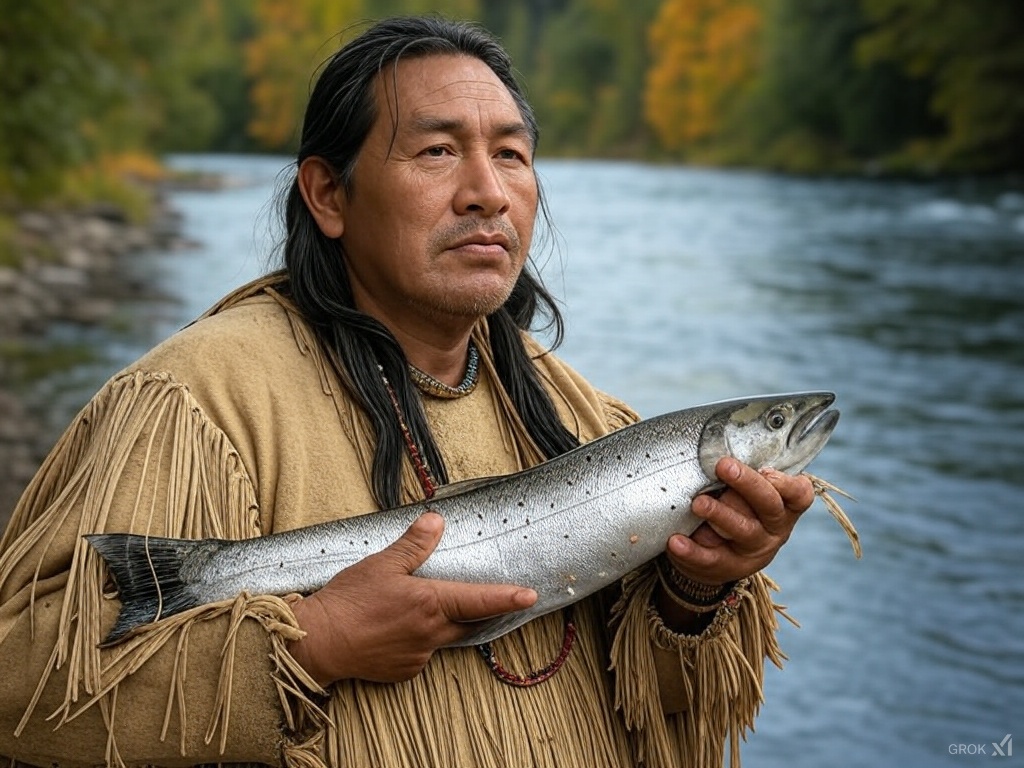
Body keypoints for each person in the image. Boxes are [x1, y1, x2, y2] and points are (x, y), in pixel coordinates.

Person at [0, 16, 815, 768]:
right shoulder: (194, 400)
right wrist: (310, 645)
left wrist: (696, 585)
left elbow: (659, 715)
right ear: (327, 195)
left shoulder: (587, 421)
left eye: (511, 154)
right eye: (436, 152)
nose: (487, 192)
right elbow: (21, 687)